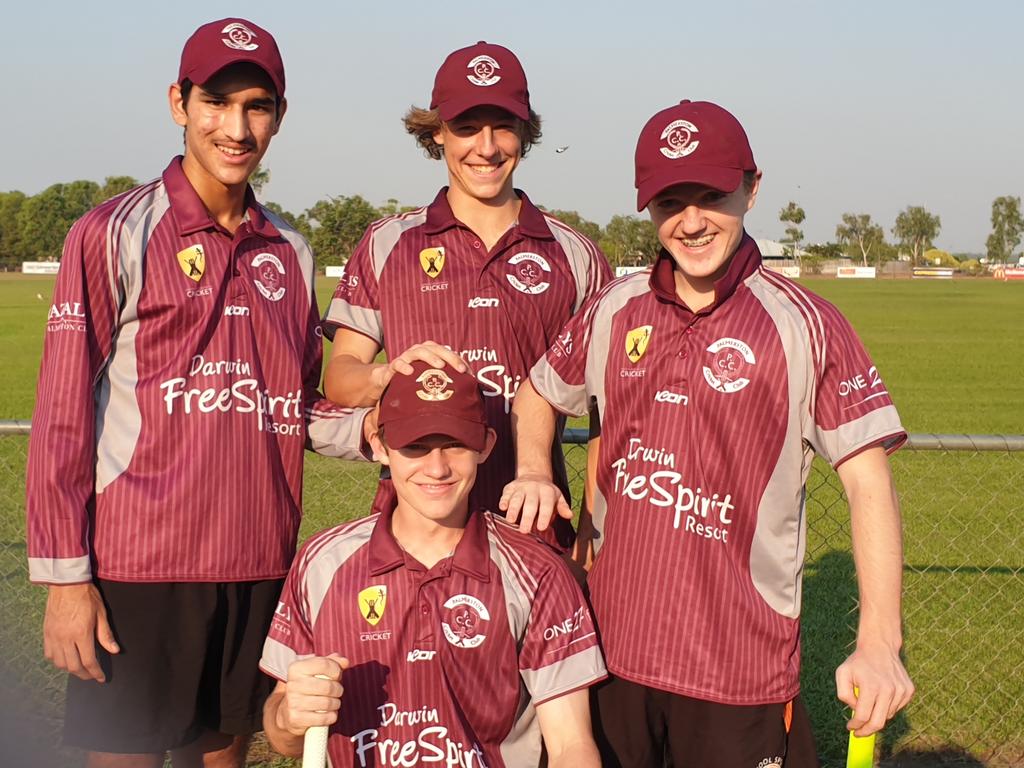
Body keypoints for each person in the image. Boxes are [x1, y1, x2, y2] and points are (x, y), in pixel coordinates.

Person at [502, 100, 915, 766]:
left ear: (752, 188)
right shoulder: (615, 308)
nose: (691, 222)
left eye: (710, 196)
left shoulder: (807, 325)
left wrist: (878, 641)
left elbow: (868, 480)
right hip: (609, 657)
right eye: (670, 202)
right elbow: (537, 395)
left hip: (737, 674)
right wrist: (531, 468)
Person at [25, 18, 365, 767]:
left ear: (280, 115)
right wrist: (64, 580)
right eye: (217, 102)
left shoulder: (292, 250)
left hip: (255, 564)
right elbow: (60, 419)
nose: (236, 127)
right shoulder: (110, 233)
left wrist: (383, 427)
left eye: (257, 106)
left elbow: (294, 406)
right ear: (179, 103)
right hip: (137, 572)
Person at [322, 41, 612, 551]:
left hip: (535, 528)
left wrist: (588, 539)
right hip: (412, 531)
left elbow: (608, 417)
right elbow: (340, 379)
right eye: (466, 127)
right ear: (436, 131)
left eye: (503, 126)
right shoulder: (388, 242)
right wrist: (383, 377)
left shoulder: (576, 255)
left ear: (526, 131)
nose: (487, 146)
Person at [260, 361, 607, 767]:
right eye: (415, 447)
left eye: (455, 444)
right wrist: (289, 716)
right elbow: (284, 737)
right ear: (378, 445)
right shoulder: (321, 563)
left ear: (486, 445)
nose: (437, 468)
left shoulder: (537, 571)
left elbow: (571, 746)